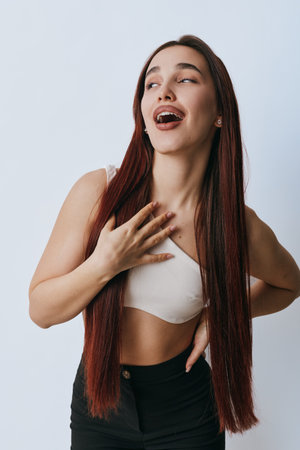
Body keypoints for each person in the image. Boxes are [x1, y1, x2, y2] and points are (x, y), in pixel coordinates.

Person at [28, 35, 300, 450]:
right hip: (99, 403)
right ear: (143, 111)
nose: (164, 90)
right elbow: (41, 311)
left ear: (220, 113)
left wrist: (221, 313)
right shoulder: (99, 192)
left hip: (187, 411)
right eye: (151, 84)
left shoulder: (233, 225)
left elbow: (289, 284)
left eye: (185, 79)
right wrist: (104, 264)